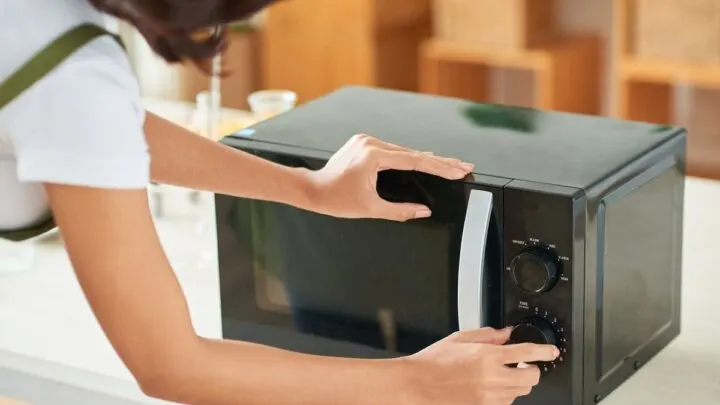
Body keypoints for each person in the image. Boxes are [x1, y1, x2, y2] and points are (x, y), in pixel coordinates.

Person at [0, 0, 559, 404]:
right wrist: (414, 382)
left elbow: (107, 126)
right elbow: (169, 367)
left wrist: (306, 186)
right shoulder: (72, 78)